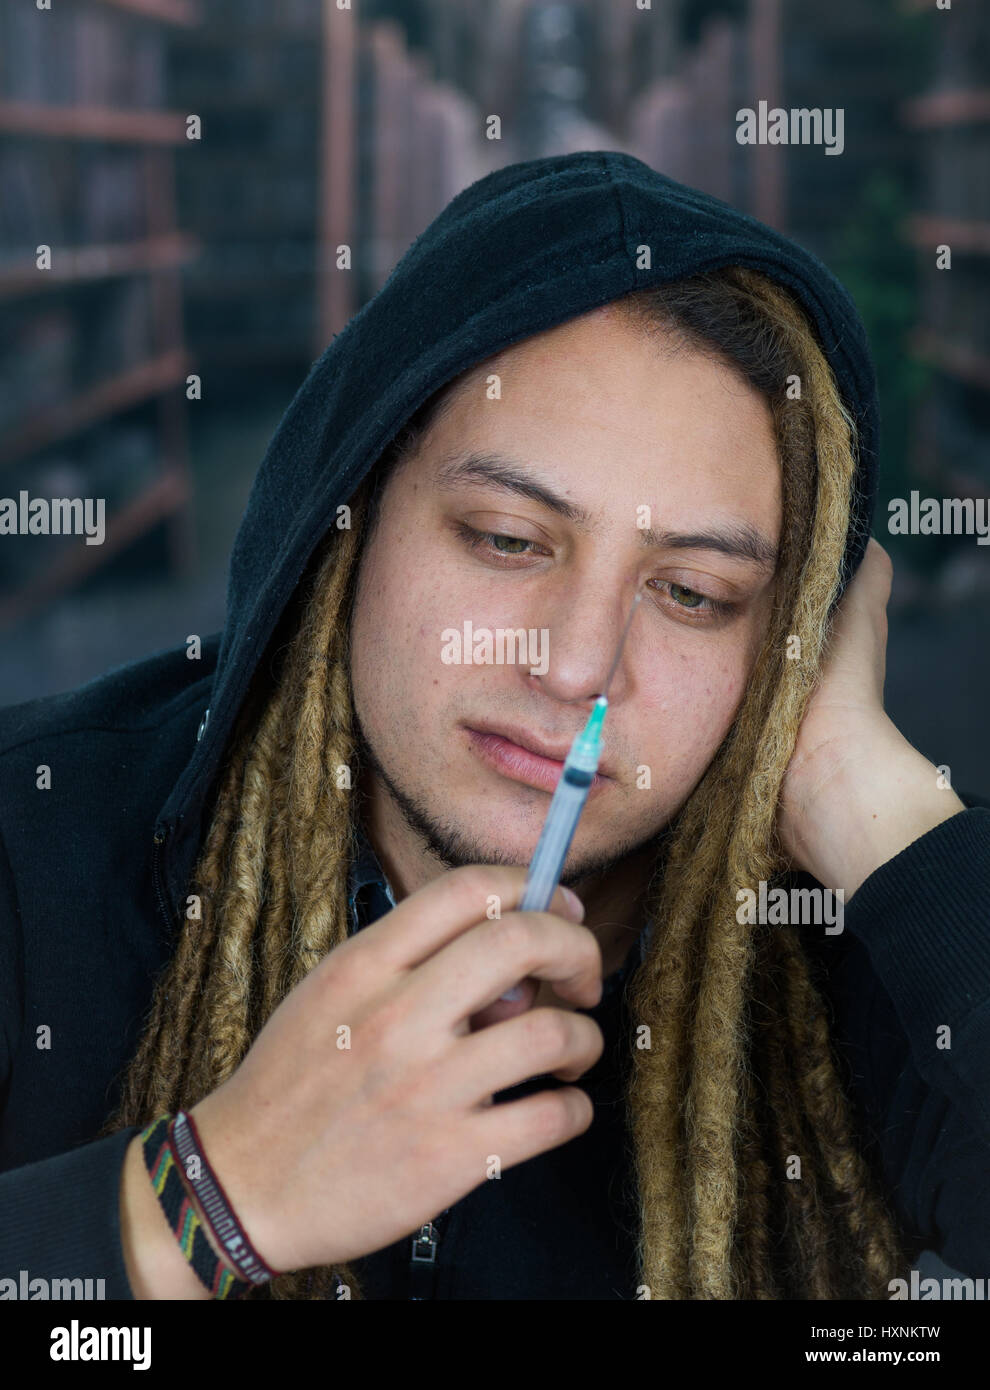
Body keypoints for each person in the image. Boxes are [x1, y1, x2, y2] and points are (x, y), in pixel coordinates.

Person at [1, 152, 987, 1302]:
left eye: (695, 595)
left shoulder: (856, 945)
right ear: (348, 516)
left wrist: (865, 799)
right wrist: (208, 1197)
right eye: (509, 539)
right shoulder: (36, 844)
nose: (575, 665)